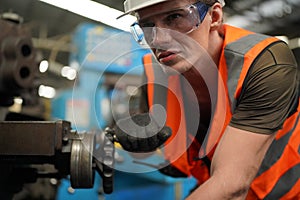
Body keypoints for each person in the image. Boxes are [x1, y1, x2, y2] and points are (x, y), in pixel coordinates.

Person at [115, 0, 300, 199]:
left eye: (175, 17)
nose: (158, 40)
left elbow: (231, 184)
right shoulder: (156, 77)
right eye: (147, 26)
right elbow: (176, 161)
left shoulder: (265, 64)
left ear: (214, 16)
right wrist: (141, 145)